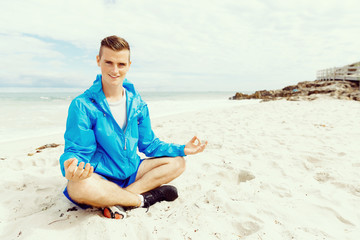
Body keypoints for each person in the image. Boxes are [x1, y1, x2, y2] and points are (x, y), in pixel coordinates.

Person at [59, 35, 207, 219]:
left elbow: (149, 145)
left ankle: (118, 200)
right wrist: (71, 165)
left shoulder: (138, 104)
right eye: (109, 62)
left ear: (129, 65)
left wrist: (182, 148)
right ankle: (141, 200)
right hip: (100, 176)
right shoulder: (82, 105)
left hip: (132, 171)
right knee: (77, 186)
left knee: (178, 162)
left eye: (121, 64)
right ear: (98, 61)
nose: (115, 70)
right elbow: (78, 150)